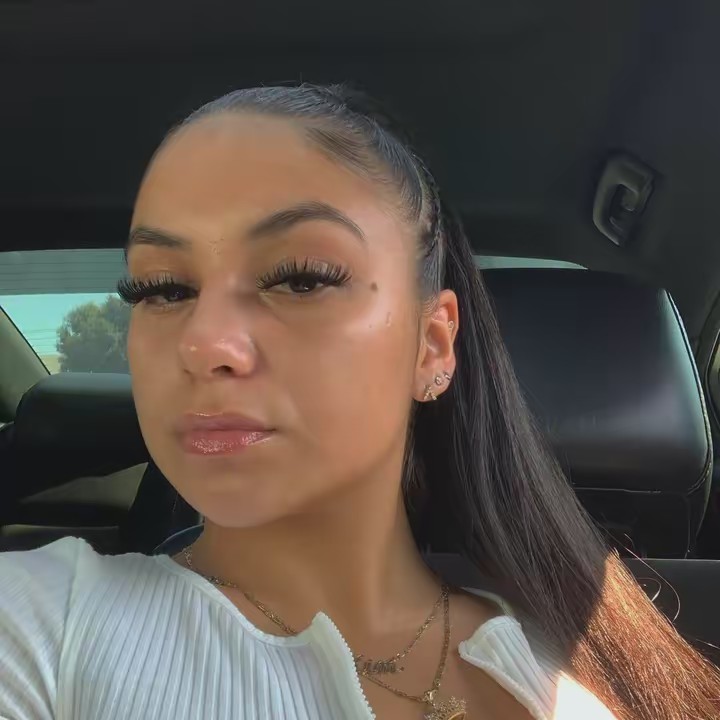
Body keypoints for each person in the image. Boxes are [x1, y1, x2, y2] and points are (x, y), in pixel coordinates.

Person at [1, 84, 719, 720]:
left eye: (301, 278)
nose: (203, 342)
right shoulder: (40, 626)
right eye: (161, 289)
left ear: (432, 346)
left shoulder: (600, 666)